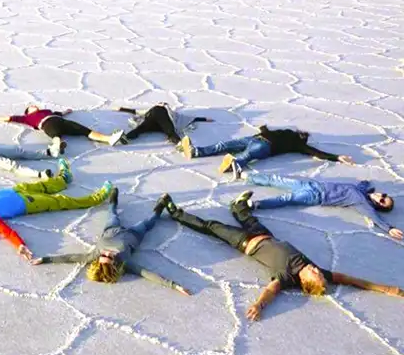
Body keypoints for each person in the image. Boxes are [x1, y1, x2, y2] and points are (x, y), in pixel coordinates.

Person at [161, 193, 404, 321]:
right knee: (248, 218)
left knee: (211, 226)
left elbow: (270, 291)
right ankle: (238, 205)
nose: (316, 270)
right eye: (319, 273)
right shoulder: (318, 270)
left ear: (306, 282)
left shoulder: (286, 278)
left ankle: (175, 213)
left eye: (315, 275)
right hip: (266, 235)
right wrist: (387, 289)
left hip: (244, 242)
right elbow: (352, 280)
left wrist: (258, 305)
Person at [0, 159, 112, 259]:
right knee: (61, 201)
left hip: (18, 190)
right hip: (28, 202)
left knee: (45, 185)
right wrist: (20, 245)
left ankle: (64, 178)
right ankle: (96, 198)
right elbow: (6, 232)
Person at [30, 190, 190, 294]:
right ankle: (161, 204)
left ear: (98, 260)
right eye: (110, 257)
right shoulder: (125, 263)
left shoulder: (92, 256)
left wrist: (45, 259)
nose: (107, 253)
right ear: (115, 265)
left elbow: (69, 258)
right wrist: (174, 285)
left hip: (111, 228)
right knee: (149, 222)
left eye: (104, 255)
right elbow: (148, 274)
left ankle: (113, 197)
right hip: (134, 234)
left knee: (112, 213)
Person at [235, 173, 401, 239]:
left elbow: (373, 216)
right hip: (312, 185)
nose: (381, 197)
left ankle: (255, 205)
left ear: (377, 205)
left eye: (382, 201)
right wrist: (366, 182)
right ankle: (246, 176)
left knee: (286, 198)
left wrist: (389, 228)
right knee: (278, 180)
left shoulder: (361, 202)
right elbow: (362, 185)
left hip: (315, 196)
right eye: (384, 196)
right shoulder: (362, 191)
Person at [177, 125, 352, 177]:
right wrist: (263, 128)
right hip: (255, 138)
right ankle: (196, 152)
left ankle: (233, 164)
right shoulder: (286, 132)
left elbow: (316, 152)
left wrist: (336, 157)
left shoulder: (297, 144)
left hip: (264, 146)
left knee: (247, 155)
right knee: (224, 145)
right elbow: (266, 130)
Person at [0, 105, 123, 154]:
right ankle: (57, 146)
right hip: (47, 123)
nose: (34, 105)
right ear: (28, 112)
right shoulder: (27, 118)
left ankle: (109, 139)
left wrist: (66, 111)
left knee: (85, 130)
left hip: (61, 121)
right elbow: (10, 118)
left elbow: (59, 114)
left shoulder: (47, 111)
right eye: (31, 106)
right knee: (55, 135)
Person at [115, 103, 213, 145]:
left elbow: (136, 111)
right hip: (159, 115)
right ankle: (179, 143)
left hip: (153, 120)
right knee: (170, 132)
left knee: (141, 128)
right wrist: (203, 119)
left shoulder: (152, 110)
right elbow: (189, 118)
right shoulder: (171, 113)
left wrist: (122, 109)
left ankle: (126, 137)